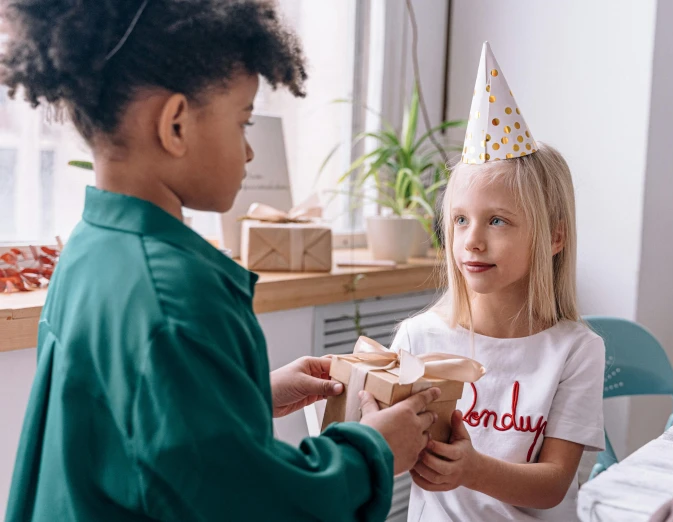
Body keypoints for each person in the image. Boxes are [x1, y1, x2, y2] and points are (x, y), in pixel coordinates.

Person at [0, 1, 438, 520]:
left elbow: (135, 430)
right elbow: (252, 503)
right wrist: (374, 451)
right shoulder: (176, 294)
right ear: (176, 126)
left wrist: (247, 395)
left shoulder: (92, 248)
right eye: (243, 122)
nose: (250, 153)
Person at [390, 42, 606, 521]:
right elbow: (387, 457)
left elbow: (552, 485)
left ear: (554, 237)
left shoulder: (575, 351)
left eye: (499, 221)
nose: (472, 242)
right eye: (460, 220)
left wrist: (471, 469)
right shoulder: (418, 340)